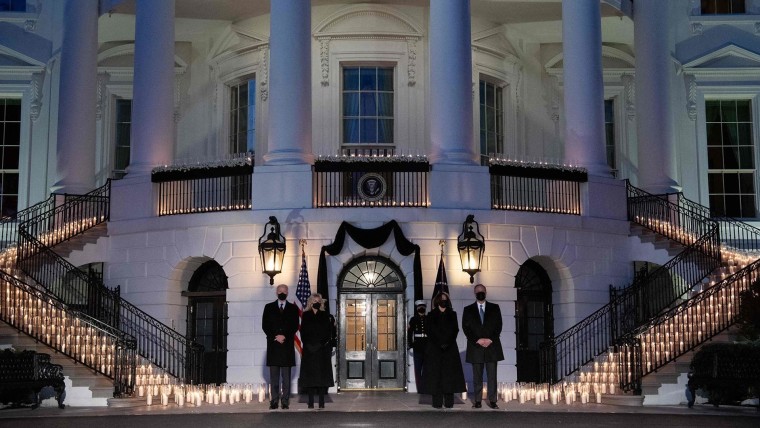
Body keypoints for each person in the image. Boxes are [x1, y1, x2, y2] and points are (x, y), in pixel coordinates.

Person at [462, 284, 504, 409]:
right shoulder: (468, 309)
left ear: (486, 292)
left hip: (492, 346)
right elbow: (466, 328)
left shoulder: (495, 308)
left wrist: (490, 339)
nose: (480, 293)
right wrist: (478, 340)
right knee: (477, 376)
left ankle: (493, 401)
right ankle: (478, 401)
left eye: (482, 291)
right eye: (478, 291)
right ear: (474, 293)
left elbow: (499, 325)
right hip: (476, 347)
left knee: (492, 376)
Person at [424, 292, 466, 409]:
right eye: (442, 299)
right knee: (436, 375)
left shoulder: (452, 314)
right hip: (435, 349)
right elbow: (429, 331)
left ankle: (449, 402)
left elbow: (455, 330)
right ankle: (437, 402)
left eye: (446, 299)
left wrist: (447, 343)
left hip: (450, 349)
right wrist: (439, 344)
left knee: (449, 376)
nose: (444, 301)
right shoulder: (431, 315)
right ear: (437, 301)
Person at [261, 284, 300, 410]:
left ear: (287, 292)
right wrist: (275, 336)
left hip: (286, 347)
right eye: (279, 291)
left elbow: (295, 325)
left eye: (284, 291)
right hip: (274, 347)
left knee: (286, 378)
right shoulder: (268, 307)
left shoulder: (293, 308)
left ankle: (285, 401)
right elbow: (265, 325)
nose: (282, 293)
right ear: (276, 292)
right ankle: (274, 401)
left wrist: (285, 336)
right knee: (274, 378)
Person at [299, 293, 335, 409]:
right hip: (309, 350)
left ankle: (321, 402)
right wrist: (308, 345)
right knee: (310, 377)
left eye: (319, 301)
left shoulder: (325, 315)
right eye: (314, 301)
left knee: (321, 377)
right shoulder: (306, 315)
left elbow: (328, 332)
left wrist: (320, 345)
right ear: (310, 302)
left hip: (321, 350)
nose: (317, 303)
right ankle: (310, 402)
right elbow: (303, 331)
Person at [407, 300, 428, 393]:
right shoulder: (413, 319)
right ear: (417, 308)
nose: (421, 308)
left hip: (427, 347)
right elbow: (409, 333)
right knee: (418, 369)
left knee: (427, 369)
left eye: (423, 307)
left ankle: (426, 387)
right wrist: (410, 345)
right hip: (417, 347)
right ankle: (420, 389)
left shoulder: (428, 318)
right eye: (420, 307)